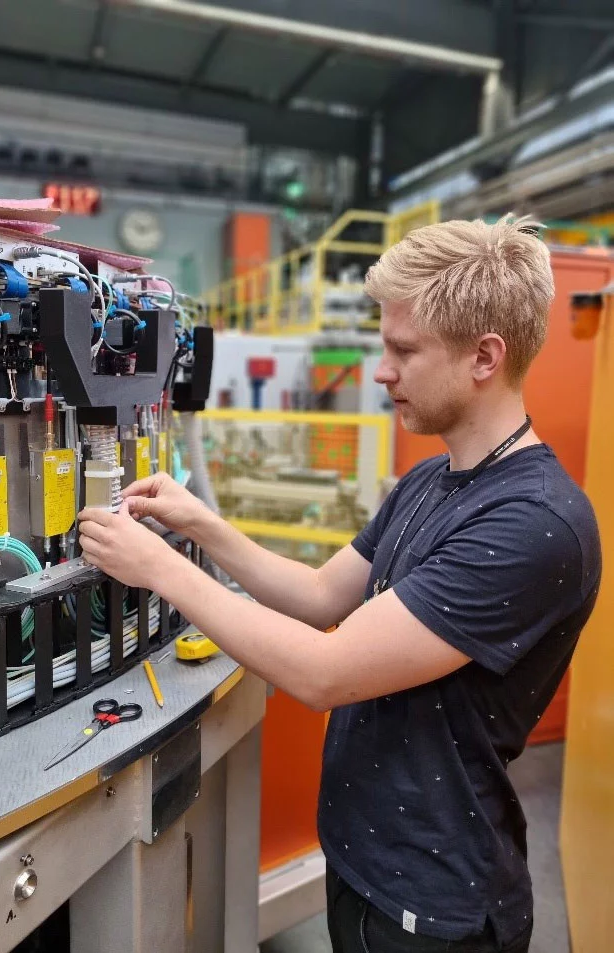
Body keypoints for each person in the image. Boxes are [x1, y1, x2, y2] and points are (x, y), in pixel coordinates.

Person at [78, 215, 601, 953]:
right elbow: (322, 595)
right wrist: (197, 523)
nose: (380, 370)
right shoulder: (433, 476)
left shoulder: (532, 523)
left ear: (484, 356)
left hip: (436, 900)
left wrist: (157, 568)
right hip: (364, 855)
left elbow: (325, 671)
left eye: (401, 349)